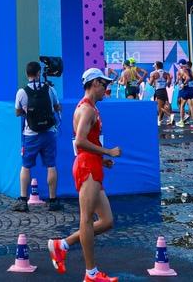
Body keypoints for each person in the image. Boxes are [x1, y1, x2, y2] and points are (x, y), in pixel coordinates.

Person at [49, 69, 121, 281]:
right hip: (87, 167)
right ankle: (91, 274)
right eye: (104, 84)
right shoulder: (87, 110)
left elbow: (84, 143)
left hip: (92, 164)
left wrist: (101, 158)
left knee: (107, 221)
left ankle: (62, 245)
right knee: (87, 220)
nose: (106, 88)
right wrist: (107, 152)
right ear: (94, 83)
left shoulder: (91, 108)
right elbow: (80, 141)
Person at [13, 60, 64, 211]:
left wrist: (27, 112)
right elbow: (57, 107)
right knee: (51, 165)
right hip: (49, 133)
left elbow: (17, 113)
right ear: (39, 73)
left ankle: (23, 200)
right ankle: (53, 200)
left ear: (26, 74)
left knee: (26, 166)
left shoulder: (22, 92)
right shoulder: (49, 89)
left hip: (31, 134)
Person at [175, 61, 193, 130]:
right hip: (192, 90)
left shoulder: (182, 71)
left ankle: (183, 119)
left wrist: (182, 84)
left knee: (182, 104)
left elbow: (186, 78)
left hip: (185, 89)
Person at [148, 62, 172, 126]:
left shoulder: (153, 73)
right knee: (163, 105)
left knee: (160, 107)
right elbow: (169, 81)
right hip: (164, 90)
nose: (154, 67)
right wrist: (167, 84)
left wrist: (148, 80)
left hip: (158, 91)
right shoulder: (166, 73)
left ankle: (170, 115)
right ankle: (160, 120)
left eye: (154, 66)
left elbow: (150, 83)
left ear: (156, 66)